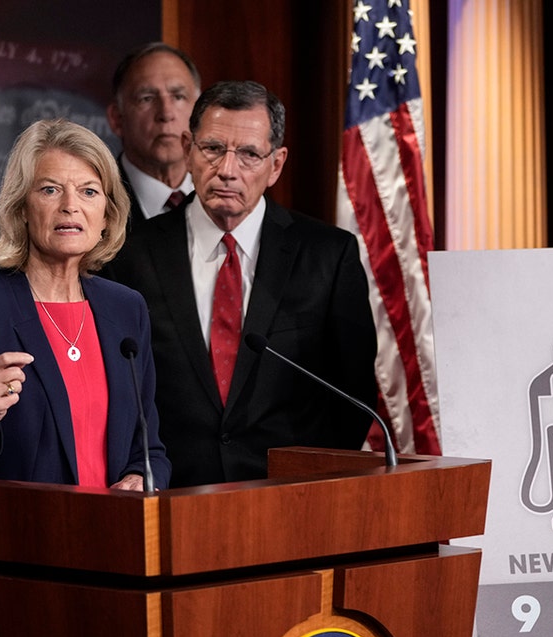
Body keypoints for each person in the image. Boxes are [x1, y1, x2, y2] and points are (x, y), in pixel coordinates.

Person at [0, 119, 171, 637]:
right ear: (21, 206)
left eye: (89, 191)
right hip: (11, 587)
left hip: (113, 578)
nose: (70, 206)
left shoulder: (126, 310)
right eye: (50, 189)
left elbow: (149, 447)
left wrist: (137, 479)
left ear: (108, 213)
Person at [104, 81, 378, 487]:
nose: (228, 170)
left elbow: (351, 395)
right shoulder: (129, 256)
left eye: (249, 154)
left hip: (289, 502)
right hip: (171, 496)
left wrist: (311, 485)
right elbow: (118, 390)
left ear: (277, 164)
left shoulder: (328, 255)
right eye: (213, 149)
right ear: (187, 148)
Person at [106, 42, 202, 220]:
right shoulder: (96, 205)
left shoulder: (230, 200)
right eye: (147, 99)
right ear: (117, 118)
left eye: (179, 97)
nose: (166, 113)